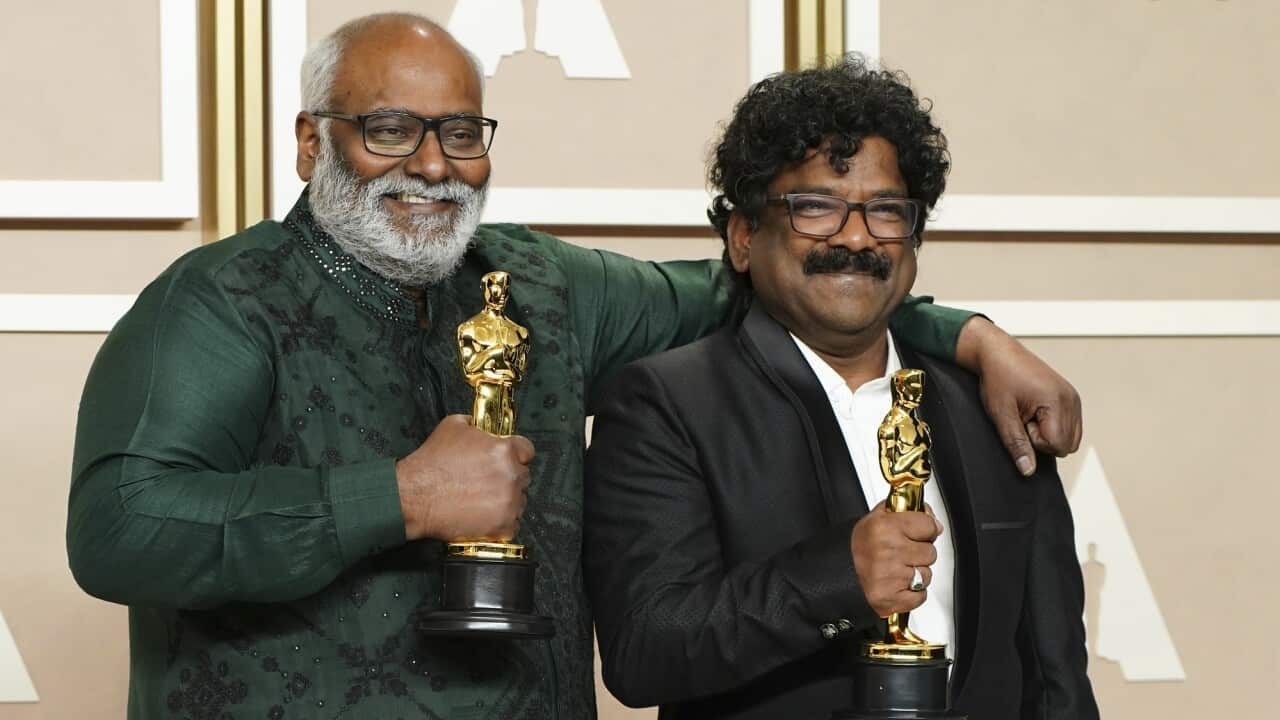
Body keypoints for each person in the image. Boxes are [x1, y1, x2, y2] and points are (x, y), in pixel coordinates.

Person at [66, 14, 1081, 720]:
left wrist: (967, 335)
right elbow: (119, 531)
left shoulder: (541, 285)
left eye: (461, 133)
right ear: (307, 142)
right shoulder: (217, 302)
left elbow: (782, 275)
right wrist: (399, 496)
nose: (432, 164)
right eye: (389, 129)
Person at [584, 56, 1099, 719]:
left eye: (886, 211)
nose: (856, 237)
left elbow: (1055, 669)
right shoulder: (664, 404)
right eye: (816, 208)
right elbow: (643, 649)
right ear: (743, 237)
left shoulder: (991, 401)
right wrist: (837, 580)